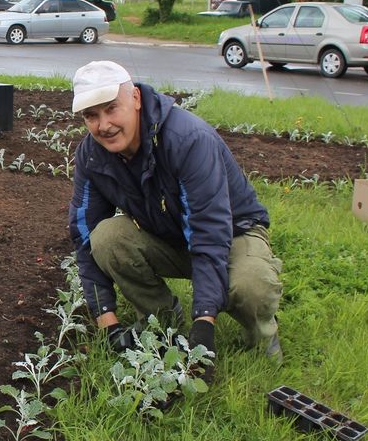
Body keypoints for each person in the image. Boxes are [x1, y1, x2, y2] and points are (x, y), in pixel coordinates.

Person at [67, 61, 283, 377]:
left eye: (112, 108)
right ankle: (162, 322)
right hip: (168, 235)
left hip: (234, 234)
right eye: (91, 116)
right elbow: (83, 236)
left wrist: (204, 325)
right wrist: (107, 323)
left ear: (136, 99)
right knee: (106, 237)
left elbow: (210, 232)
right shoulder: (92, 155)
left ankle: (259, 342)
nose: (104, 125)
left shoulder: (187, 140)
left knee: (250, 285)